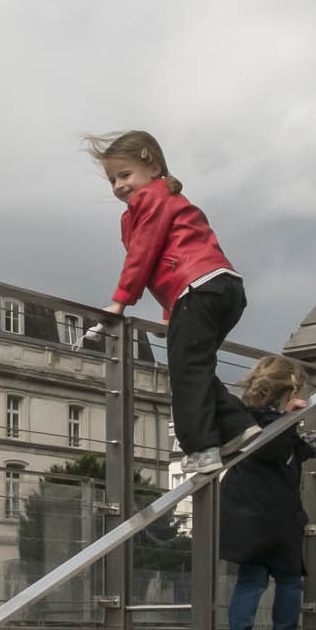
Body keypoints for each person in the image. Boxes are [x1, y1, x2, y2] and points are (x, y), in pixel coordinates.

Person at [90, 129, 257, 474]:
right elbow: (176, 259)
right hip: (222, 288)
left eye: (125, 175)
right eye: (112, 180)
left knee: (186, 372)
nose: (119, 186)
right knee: (193, 364)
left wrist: (120, 302)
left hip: (198, 289)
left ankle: (201, 450)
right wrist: (169, 312)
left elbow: (143, 255)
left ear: (153, 167)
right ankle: (239, 427)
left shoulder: (151, 199)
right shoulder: (170, 201)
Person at [220, 356, 316, 630]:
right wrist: (288, 418)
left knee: (252, 577)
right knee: (289, 579)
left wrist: (315, 435)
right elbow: (276, 449)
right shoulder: (270, 424)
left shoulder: (245, 418)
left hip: (248, 514)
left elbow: (291, 453)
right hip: (274, 515)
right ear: (291, 390)